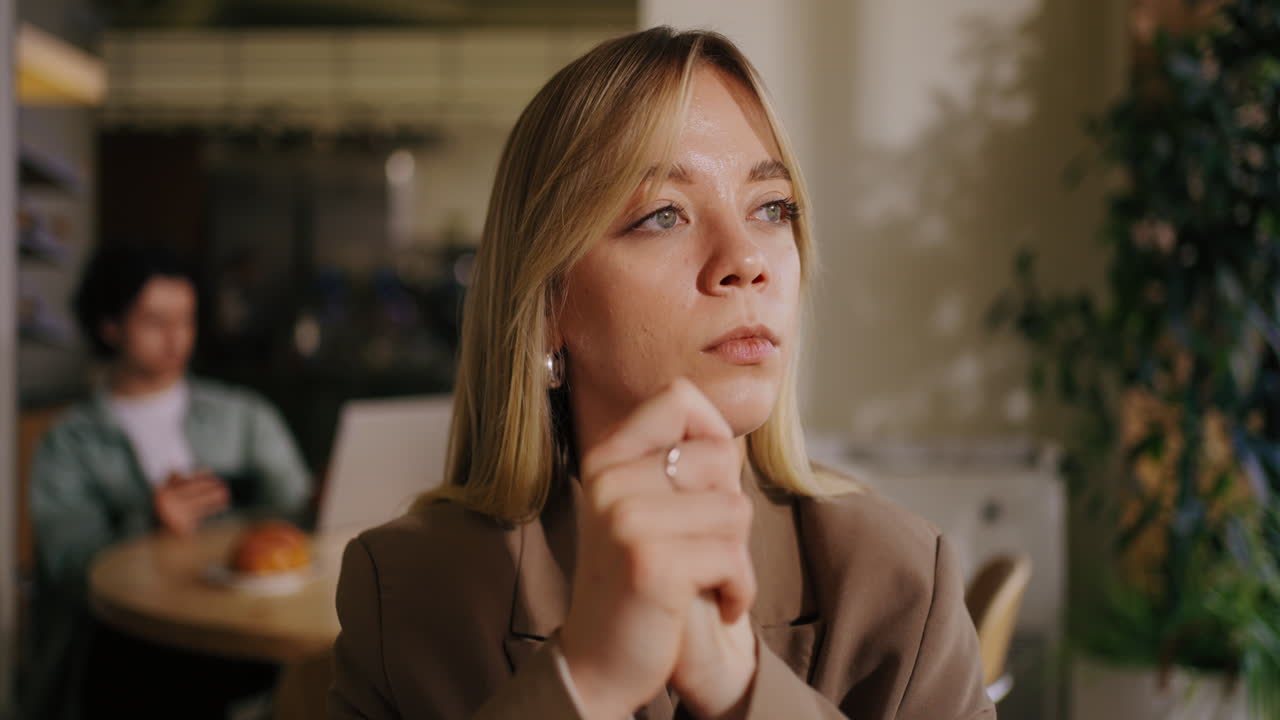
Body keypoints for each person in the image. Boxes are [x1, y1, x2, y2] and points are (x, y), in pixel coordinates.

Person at [329, 27, 995, 720]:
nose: (747, 259)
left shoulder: (903, 580)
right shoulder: (405, 591)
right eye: (663, 216)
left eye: (772, 208)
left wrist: (741, 684)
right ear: (550, 305)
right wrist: (585, 677)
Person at [23, 246, 313, 720]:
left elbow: (294, 506)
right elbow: (68, 566)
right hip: (128, 649)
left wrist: (319, 497)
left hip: (242, 628)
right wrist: (150, 523)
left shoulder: (243, 415)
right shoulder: (69, 442)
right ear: (110, 325)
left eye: (187, 319)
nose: (176, 337)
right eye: (155, 321)